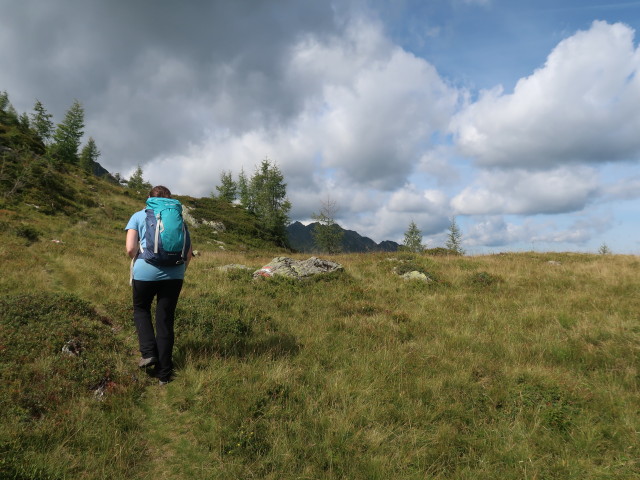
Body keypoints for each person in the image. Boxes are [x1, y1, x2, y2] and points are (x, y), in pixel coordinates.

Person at [125, 185, 192, 385]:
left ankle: (148, 353)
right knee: (165, 320)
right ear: (170, 199)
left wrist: (140, 260)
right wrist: (179, 271)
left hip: (145, 272)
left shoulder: (139, 215)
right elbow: (188, 253)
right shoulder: (179, 219)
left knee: (141, 309)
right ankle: (165, 375)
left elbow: (130, 248)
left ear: (149, 199)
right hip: (175, 275)